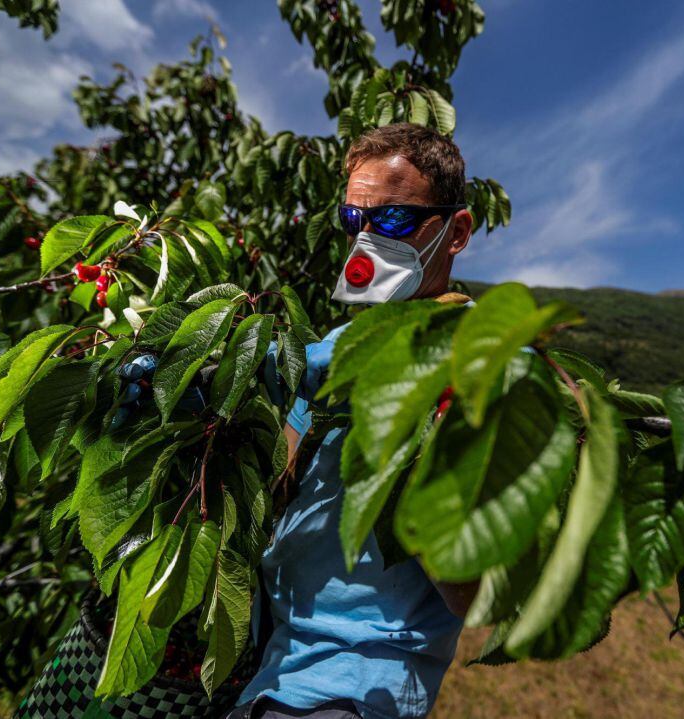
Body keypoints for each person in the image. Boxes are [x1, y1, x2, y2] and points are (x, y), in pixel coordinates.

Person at [228, 123, 480, 719]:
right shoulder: (332, 351)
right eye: (354, 220)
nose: (367, 239)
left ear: (457, 231)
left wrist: (401, 425)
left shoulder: (485, 365)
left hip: (357, 685)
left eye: (393, 219)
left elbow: (477, 593)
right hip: (268, 668)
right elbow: (274, 489)